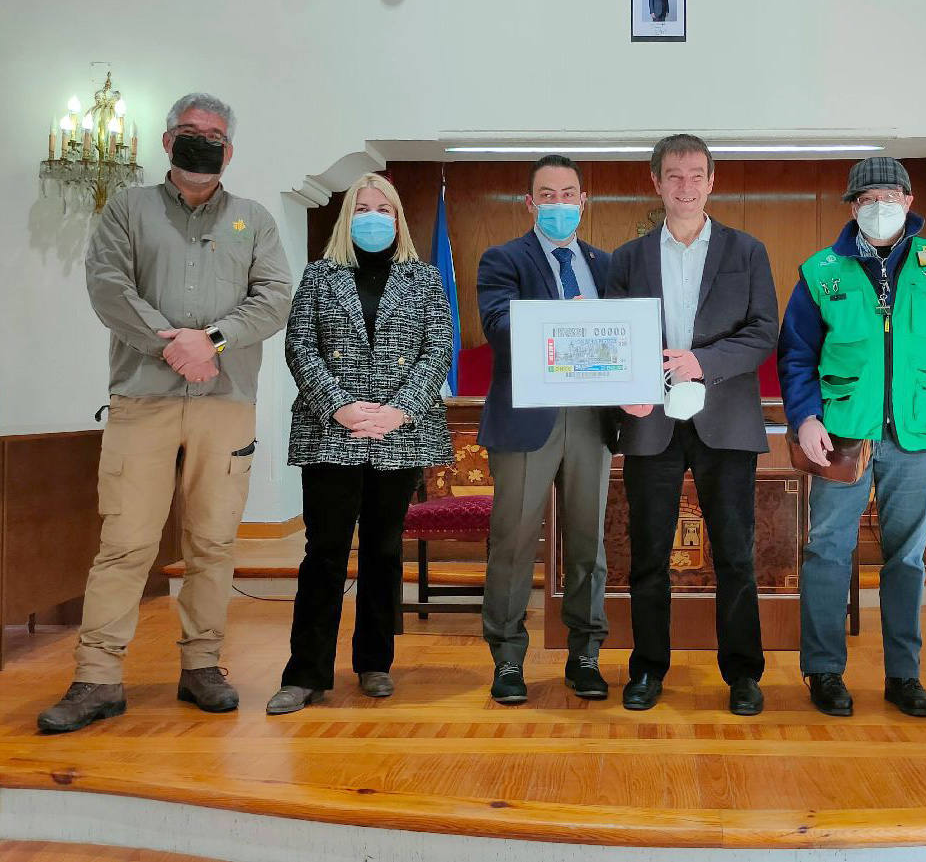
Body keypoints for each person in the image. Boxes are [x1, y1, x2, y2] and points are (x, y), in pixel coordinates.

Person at [38, 93, 292, 733]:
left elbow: (274, 300)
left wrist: (211, 341)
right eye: (188, 131)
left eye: (212, 134)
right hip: (142, 400)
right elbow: (107, 286)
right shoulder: (128, 208)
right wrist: (169, 343)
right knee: (125, 543)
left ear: (229, 149)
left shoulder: (254, 220)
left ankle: (202, 665)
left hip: (225, 403)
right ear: (165, 140)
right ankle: (97, 678)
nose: (200, 141)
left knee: (213, 540)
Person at [778, 157, 926, 719]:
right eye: (868, 197)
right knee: (827, 553)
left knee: (906, 559)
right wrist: (805, 417)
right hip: (843, 435)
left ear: (909, 200)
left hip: (919, 435)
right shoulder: (821, 271)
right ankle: (824, 671)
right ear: (853, 207)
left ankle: (905, 675)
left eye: (891, 195)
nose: (880, 205)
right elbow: (796, 354)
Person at [265, 174, 453, 715]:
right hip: (332, 434)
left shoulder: (423, 279)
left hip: (398, 435)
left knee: (383, 552)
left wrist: (400, 411)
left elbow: (437, 350)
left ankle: (375, 664)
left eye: (384, 209)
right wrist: (339, 405)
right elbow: (301, 346)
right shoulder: (321, 276)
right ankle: (306, 673)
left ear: (398, 219)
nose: (374, 217)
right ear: (348, 218)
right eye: (363, 208)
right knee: (323, 554)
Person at [608, 134, 777, 716]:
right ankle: (648, 669)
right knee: (648, 555)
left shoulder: (747, 251)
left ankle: (743, 675)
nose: (685, 186)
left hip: (723, 420)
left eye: (695, 175)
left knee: (735, 554)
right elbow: (613, 340)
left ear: (712, 182)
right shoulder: (626, 259)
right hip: (650, 423)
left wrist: (701, 363)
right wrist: (624, 389)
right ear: (656, 183)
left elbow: (762, 333)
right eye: (673, 176)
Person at [476, 155, 617, 704]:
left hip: (590, 418)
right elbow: (499, 328)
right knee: (513, 543)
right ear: (530, 204)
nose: (560, 204)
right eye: (548, 195)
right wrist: (569, 319)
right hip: (526, 417)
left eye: (570, 194)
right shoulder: (503, 259)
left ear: (583, 202)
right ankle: (508, 659)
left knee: (589, 543)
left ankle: (586, 654)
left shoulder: (606, 264)